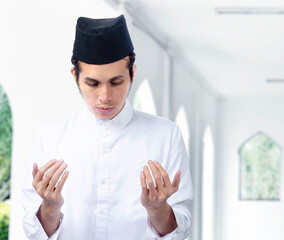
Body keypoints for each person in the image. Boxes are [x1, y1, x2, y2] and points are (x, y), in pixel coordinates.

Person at [21, 15, 193, 240]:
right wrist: (50, 207)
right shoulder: (49, 136)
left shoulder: (166, 135)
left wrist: (157, 209)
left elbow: (181, 230)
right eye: (92, 84)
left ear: (132, 73)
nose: (105, 97)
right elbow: (34, 233)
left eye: (116, 82)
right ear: (75, 76)